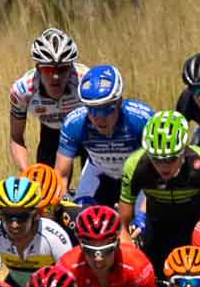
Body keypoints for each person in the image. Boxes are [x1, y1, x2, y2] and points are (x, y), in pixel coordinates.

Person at [119, 110, 200, 277]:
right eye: (156, 159)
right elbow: (123, 224)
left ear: (184, 151)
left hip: (196, 226)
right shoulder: (135, 165)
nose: (164, 166)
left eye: (171, 159)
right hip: (157, 225)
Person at [55, 64, 154, 208]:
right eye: (92, 109)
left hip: (137, 178)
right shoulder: (74, 123)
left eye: (106, 109)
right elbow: (61, 176)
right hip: (98, 172)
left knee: (140, 224)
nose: (99, 118)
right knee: (81, 219)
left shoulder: (141, 119)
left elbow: (157, 171)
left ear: (119, 102)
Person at [9, 28, 86, 170]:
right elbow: (16, 138)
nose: (56, 76)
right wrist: (26, 173)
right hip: (51, 136)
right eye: (49, 70)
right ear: (38, 68)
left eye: (62, 69)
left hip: (87, 135)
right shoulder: (22, 90)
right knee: (46, 190)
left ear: (71, 67)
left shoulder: (86, 82)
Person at [0, 175, 73, 287]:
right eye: (7, 217)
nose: (14, 224)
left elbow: (70, 284)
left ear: (36, 214)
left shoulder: (54, 236)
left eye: (22, 217)